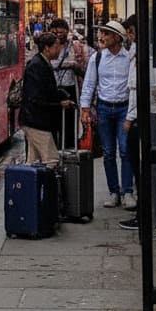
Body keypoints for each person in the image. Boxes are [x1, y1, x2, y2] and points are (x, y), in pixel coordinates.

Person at [117, 16, 156, 237]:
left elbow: (142, 90)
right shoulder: (142, 53)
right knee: (145, 170)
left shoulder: (149, 56)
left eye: (130, 32)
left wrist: (129, 118)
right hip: (150, 116)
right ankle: (147, 215)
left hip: (152, 117)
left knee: (154, 170)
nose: (128, 37)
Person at [80, 19, 135, 209]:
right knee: (108, 152)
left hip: (123, 109)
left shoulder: (129, 58)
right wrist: (85, 109)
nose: (101, 36)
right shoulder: (97, 58)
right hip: (104, 108)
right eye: (101, 33)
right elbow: (89, 84)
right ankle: (114, 192)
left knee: (125, 150)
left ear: (117, 38)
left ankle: (127, 191)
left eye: (106, 33)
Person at [18, 31, 75, 166]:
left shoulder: (42, 63)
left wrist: (62, 96)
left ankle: (32, 180)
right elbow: (37, 97)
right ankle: (48, 181)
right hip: (36, 121)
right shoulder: (37, 66)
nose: (59, 49)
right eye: (56, 46)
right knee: (51, 159)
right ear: (47, 48)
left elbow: (48, 91)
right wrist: (59, 104)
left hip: (34, 120)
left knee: (33, 162)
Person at [48, 18, 86, 149]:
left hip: (70, 89)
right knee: (52, 126)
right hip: (52, 90)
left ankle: (69, 150)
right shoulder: (47, 46)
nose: (58, 35)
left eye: (61, 32)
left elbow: (85, 71)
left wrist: (75, 66)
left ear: (67, 31)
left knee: (69, 125)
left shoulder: (75, 47)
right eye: (54, 32)